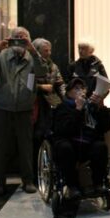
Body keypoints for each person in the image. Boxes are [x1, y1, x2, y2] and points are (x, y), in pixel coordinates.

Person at [0, 26, 46, 196]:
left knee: (26, 146)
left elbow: (42, 71)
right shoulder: (2, 55)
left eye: (23, 38)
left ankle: (28, 181)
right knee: (0, 146)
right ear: (10, 39)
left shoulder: (32, 57)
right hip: (2, 107)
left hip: (24, 108)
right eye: (16, 37)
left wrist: (33, 51)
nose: (19, 41)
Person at [51, 78, 110, 199]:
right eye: (76, 88)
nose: (80, 91)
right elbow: (65, 130)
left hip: (87, 144)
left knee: (100, 146)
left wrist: (101, 107)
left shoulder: (91, 107)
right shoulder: (63, 107)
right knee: (64, 148)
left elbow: (105, 127)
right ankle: (72, 186)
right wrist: (78, 109)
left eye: (82, 88)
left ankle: (98, 184)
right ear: (68, 93)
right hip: (69, 143)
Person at [32, 38, 65, 176]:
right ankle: (34, 173)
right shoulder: (30, 65)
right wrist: (41, 87)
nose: (49, 53)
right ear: (37, 51)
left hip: (51, 104)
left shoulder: (53, 66)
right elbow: (26, 85)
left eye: (50, 50)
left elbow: (60, 83)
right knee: (36, 138)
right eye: (46, 51)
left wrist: (66, 99)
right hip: (35, 105)